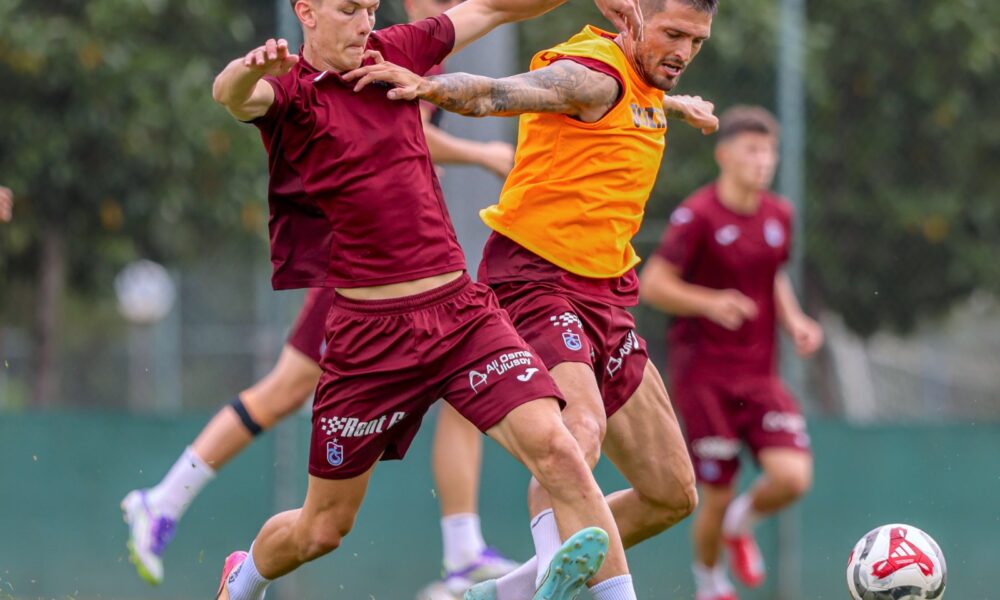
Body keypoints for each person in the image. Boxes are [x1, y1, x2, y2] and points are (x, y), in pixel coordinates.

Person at [209, 0, 649, 595]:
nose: (365, 22)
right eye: (349, 9)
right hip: (369, 338)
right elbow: (233, 97)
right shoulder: (290, 92)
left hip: (461, 316)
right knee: (323, 528)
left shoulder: (396, 50)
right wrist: (245, 71)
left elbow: (491, 7)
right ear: (306, 11)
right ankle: (244, 579)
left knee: (560, 450)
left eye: (371, 8)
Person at [120, 0, 519, 590]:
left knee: (464, 395)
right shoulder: (368, 55)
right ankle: (164, 500)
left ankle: (463, 547)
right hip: (360, 275)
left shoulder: (407, 51)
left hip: (406, 271)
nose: (448, 7)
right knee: (284, 392)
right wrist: (481, 154)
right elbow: (255, 101)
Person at [344, 1, 717, 599]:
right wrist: (428, 86)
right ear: (633, 16)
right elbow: (499, 93)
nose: (683, 52)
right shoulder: (592, 74)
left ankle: (512, 590)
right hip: (537, 280)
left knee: (672, 493)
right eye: (673, 33)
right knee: (577, 433)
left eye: (696, 41)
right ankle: (553, 582)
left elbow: (634, 105)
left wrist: (678, 105)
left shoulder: (644, 83)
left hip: (607, 295)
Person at [637, 105, 823, 600]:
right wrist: (710, 302)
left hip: (759, 376)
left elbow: (772, 274)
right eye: (752, 150)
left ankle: (741, 525)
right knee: (715, 493)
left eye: (769, 151)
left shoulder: (779, 216)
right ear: (724, 155)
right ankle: (710, 583)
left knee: (793, 477)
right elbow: (653, 284)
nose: (763, 161)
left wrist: (795, 322)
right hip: (704, 378)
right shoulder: (698, 215)